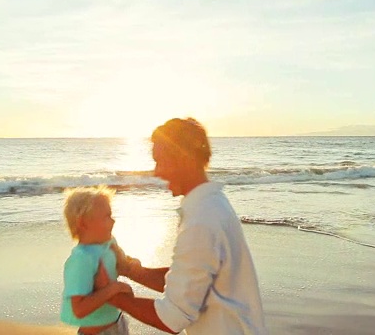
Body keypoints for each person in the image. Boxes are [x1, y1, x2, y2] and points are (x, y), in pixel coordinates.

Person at [103, 118, 268, 334]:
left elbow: (173, 317)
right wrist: (129, 270)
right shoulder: (213, 204)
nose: (156, 172)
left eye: (160, 161)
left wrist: (110, 296)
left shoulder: (201, 221)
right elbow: (189, 283)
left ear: (184, 158)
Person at [60, 186, 136, 335]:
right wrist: (113, 288)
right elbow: (79, 309)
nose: (113, 221)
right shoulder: (81, 259)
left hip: (117, 323)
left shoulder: (108, 245)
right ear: (83, 223)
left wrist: (126, 262)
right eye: (106, 216)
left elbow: (122, 266)